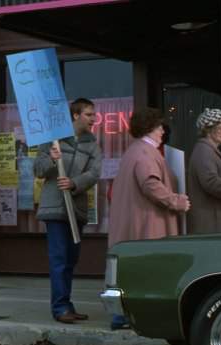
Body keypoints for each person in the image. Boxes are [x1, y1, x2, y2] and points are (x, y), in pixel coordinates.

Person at [108, 108, 191, 330]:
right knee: (147, 269)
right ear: (150, 128)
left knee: (130, 270)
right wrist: (176, 201)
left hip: (137, 220)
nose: (163, 131)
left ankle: (123, 314)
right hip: (147, 222)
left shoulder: (135, 151)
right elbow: (150, 185)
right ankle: (132, 314)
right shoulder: (145, 153)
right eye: (159, 126)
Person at [34, 98, 102, 324]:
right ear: (75, 115)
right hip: (54, 207)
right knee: (59, 258)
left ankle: (67, 303)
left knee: (71, 258)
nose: (93, 119)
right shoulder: (52, 140)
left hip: (77, 208)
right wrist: (52, 160)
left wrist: (74, 183)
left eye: (93, 115)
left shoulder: (92, 145)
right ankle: (60, 307)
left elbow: (94, 173)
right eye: (89, 114)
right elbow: (38, 169)